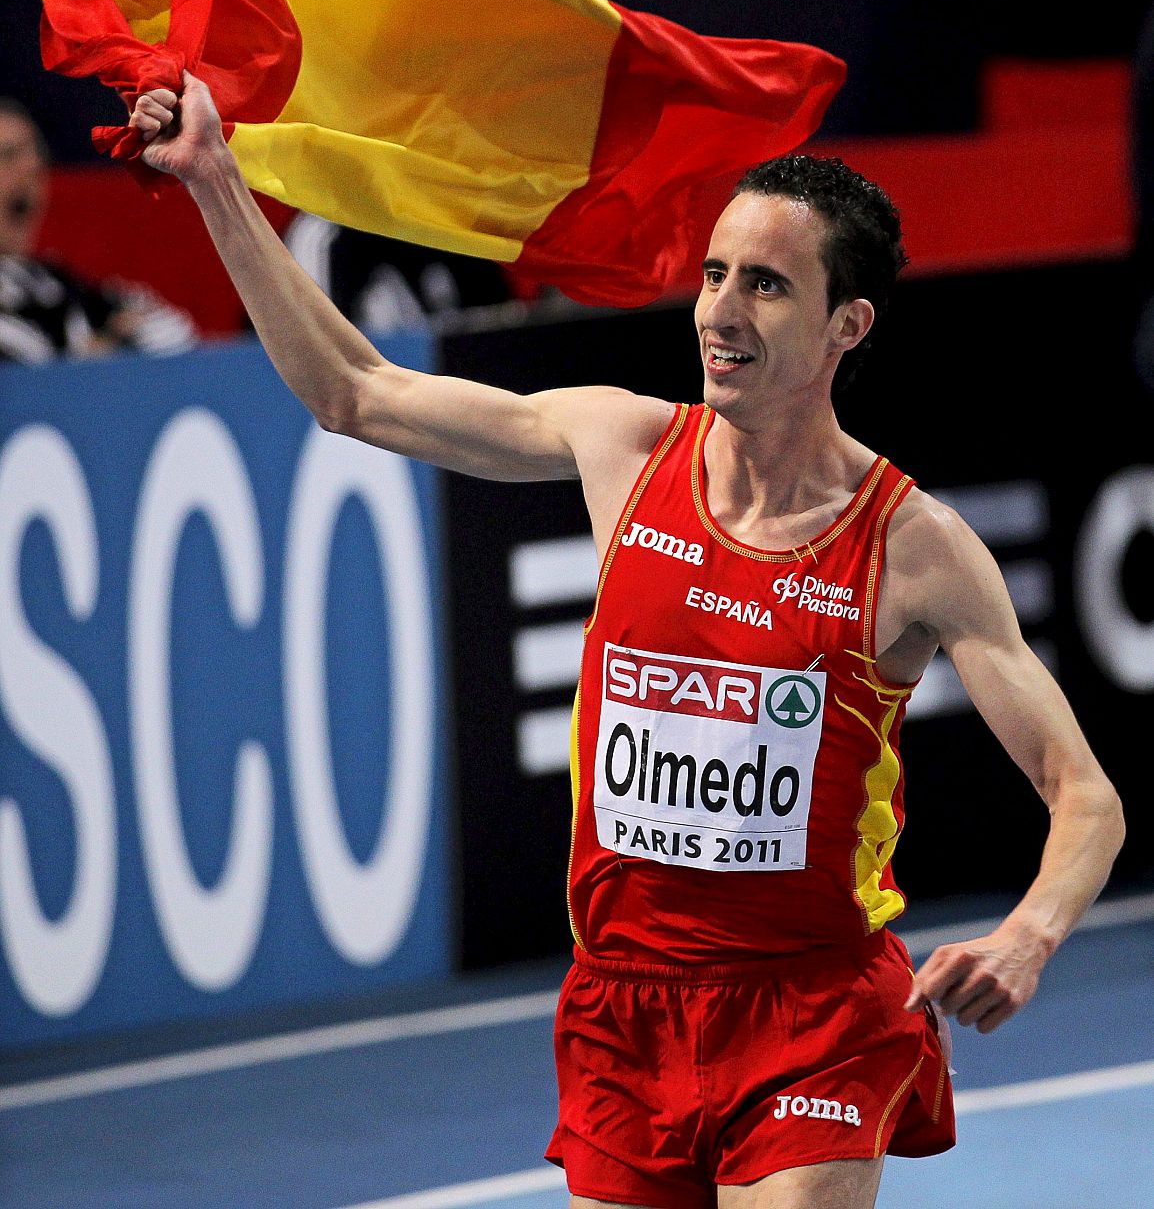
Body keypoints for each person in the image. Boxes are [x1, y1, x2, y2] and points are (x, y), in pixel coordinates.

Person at [127, 72, 1124, 1209]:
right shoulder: (621, 444)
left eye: (765, 284)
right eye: (712, 274)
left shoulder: (914, 546)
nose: (719, 311)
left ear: (847, 323)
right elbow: (357, 392)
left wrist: (1028, 935)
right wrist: (215, 179)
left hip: (812, 1007)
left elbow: (1082, 792)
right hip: (622, 1007)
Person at [0, 96, 195, 363]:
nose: (32, 169)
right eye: (7, 156)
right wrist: (85, 357)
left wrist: (116, 342)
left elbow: (177, 335)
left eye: (36, 155)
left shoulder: (59, 286)